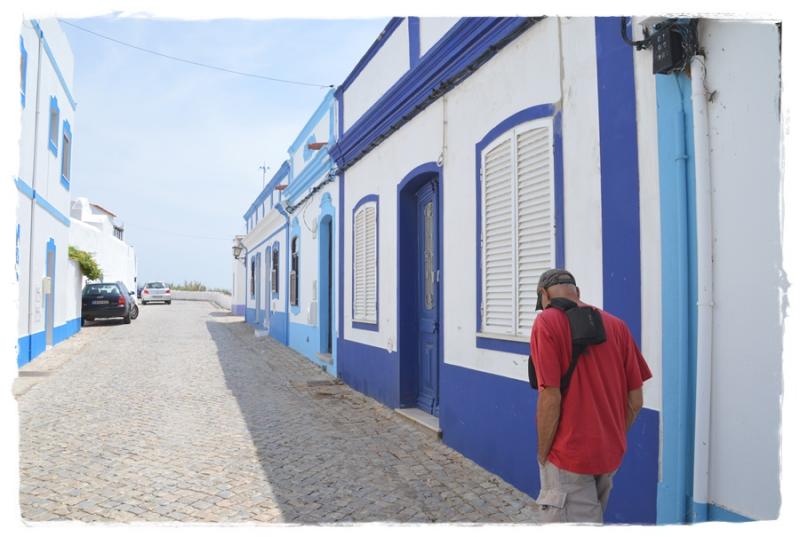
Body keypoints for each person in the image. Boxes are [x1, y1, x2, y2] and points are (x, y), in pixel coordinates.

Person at [529, 268, 652, 524]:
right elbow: (636, 400)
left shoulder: (547, 322)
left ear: (543, 294)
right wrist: (612, 436)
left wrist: (542, 455)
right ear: (577, 292)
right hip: (609, 456)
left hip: (569, 457)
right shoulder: (617, 326)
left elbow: (550, 397)